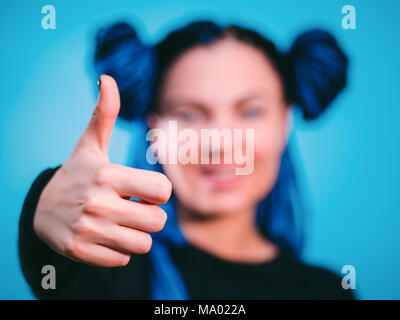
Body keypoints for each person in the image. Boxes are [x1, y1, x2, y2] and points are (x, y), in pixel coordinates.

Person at [18, 20, 353, 299]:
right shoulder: (110, 268)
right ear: (154, 126)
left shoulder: (329, 292)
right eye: (188, 114)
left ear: (285, 121)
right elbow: (61, 265)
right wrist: (47, 205)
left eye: (251, 111)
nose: (221, 144)